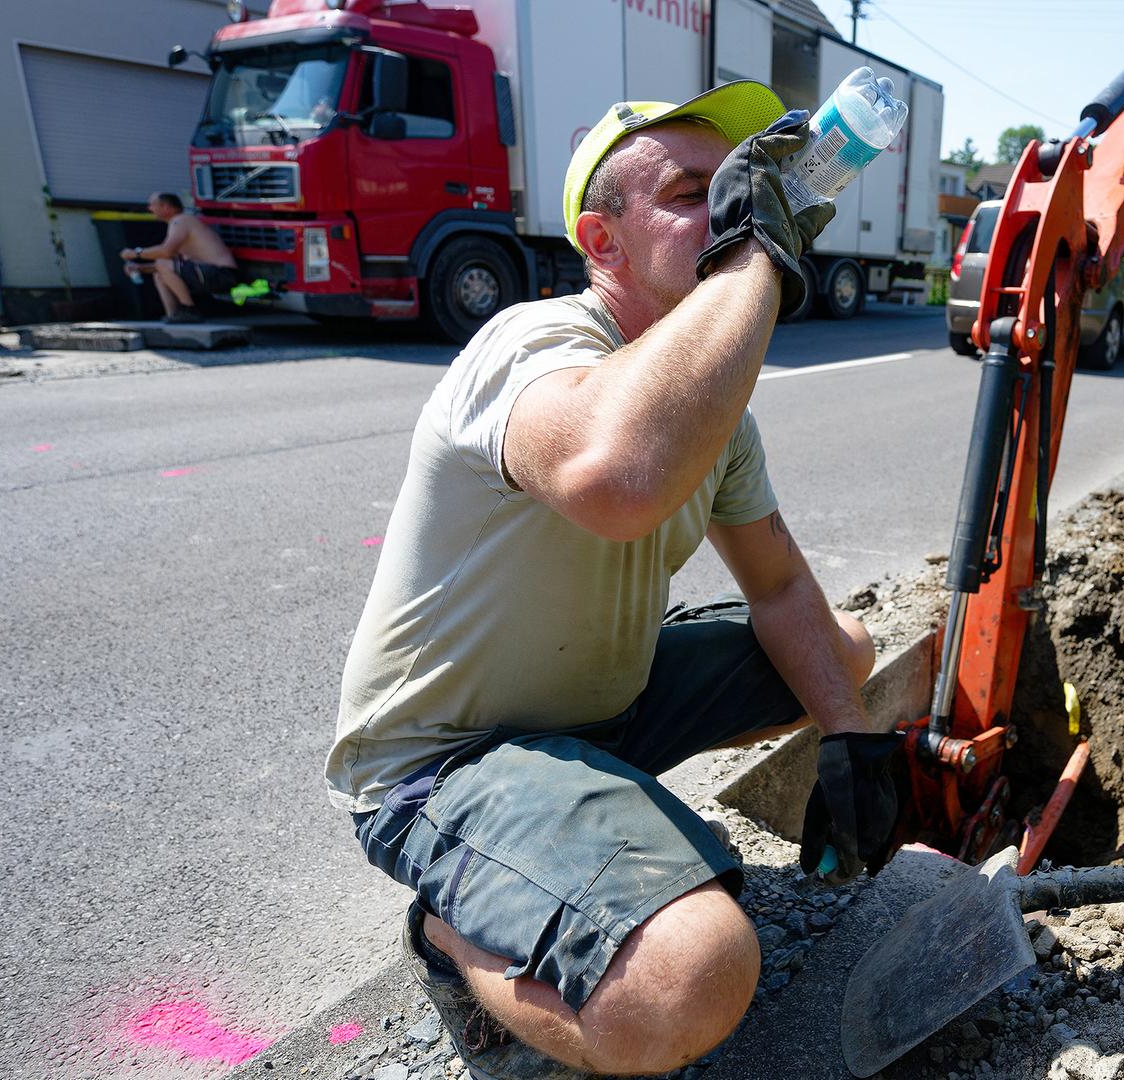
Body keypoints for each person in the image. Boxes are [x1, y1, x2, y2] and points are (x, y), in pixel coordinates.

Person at [328, 81, 893, 1078]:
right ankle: (450, 932)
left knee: (843, 652)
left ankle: (579, 821)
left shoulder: (716, 414)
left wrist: (853, 740)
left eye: (742, 191)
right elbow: (617, 476)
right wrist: (757, 256)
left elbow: (780, 590)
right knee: (690, 979)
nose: (732, 213)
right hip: (445, 760)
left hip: (601, 711)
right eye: (693, 195)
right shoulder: (530, 346)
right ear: (603, 241)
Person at [118, 193, 238, 323]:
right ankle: (174, 315)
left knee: (162, 263)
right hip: (209, 273)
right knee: (159, 273)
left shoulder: (181, 220)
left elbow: (165, 252)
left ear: (166, 207)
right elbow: (172, 266)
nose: (149, 208)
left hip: (222, 274)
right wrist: (140, 268)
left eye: (152, 205)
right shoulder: (177, 223)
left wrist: (135, 253)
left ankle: (189, 310)